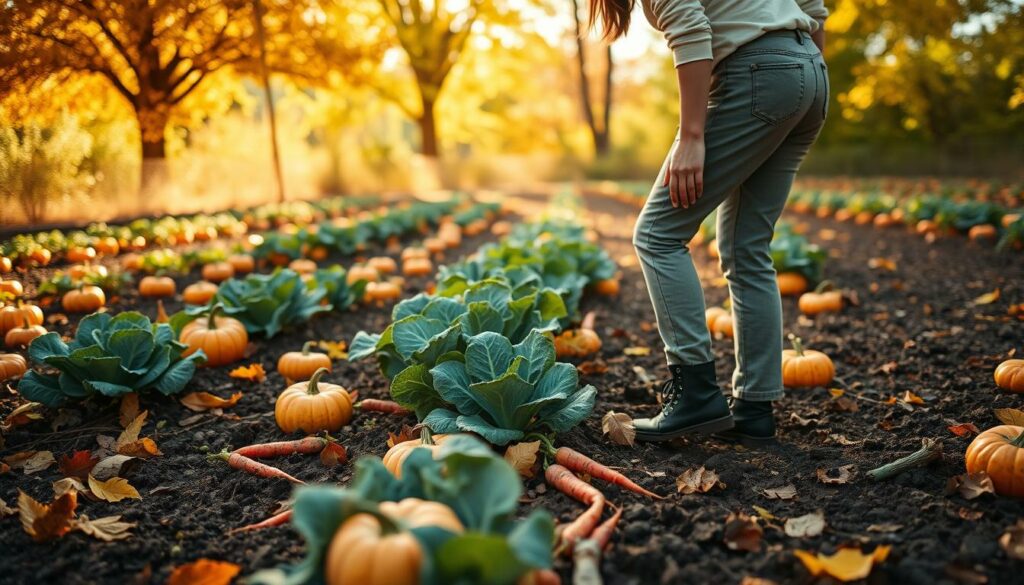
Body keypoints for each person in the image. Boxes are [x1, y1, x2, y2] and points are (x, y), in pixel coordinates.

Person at [588, 0, 829, 445]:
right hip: (809, 72)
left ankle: (695, 394)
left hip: (759, 75)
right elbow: (814, 7)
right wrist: (803, 80)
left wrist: (691, 137)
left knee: (657, 235)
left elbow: (692, 30)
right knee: (746, 248)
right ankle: (754, 409)